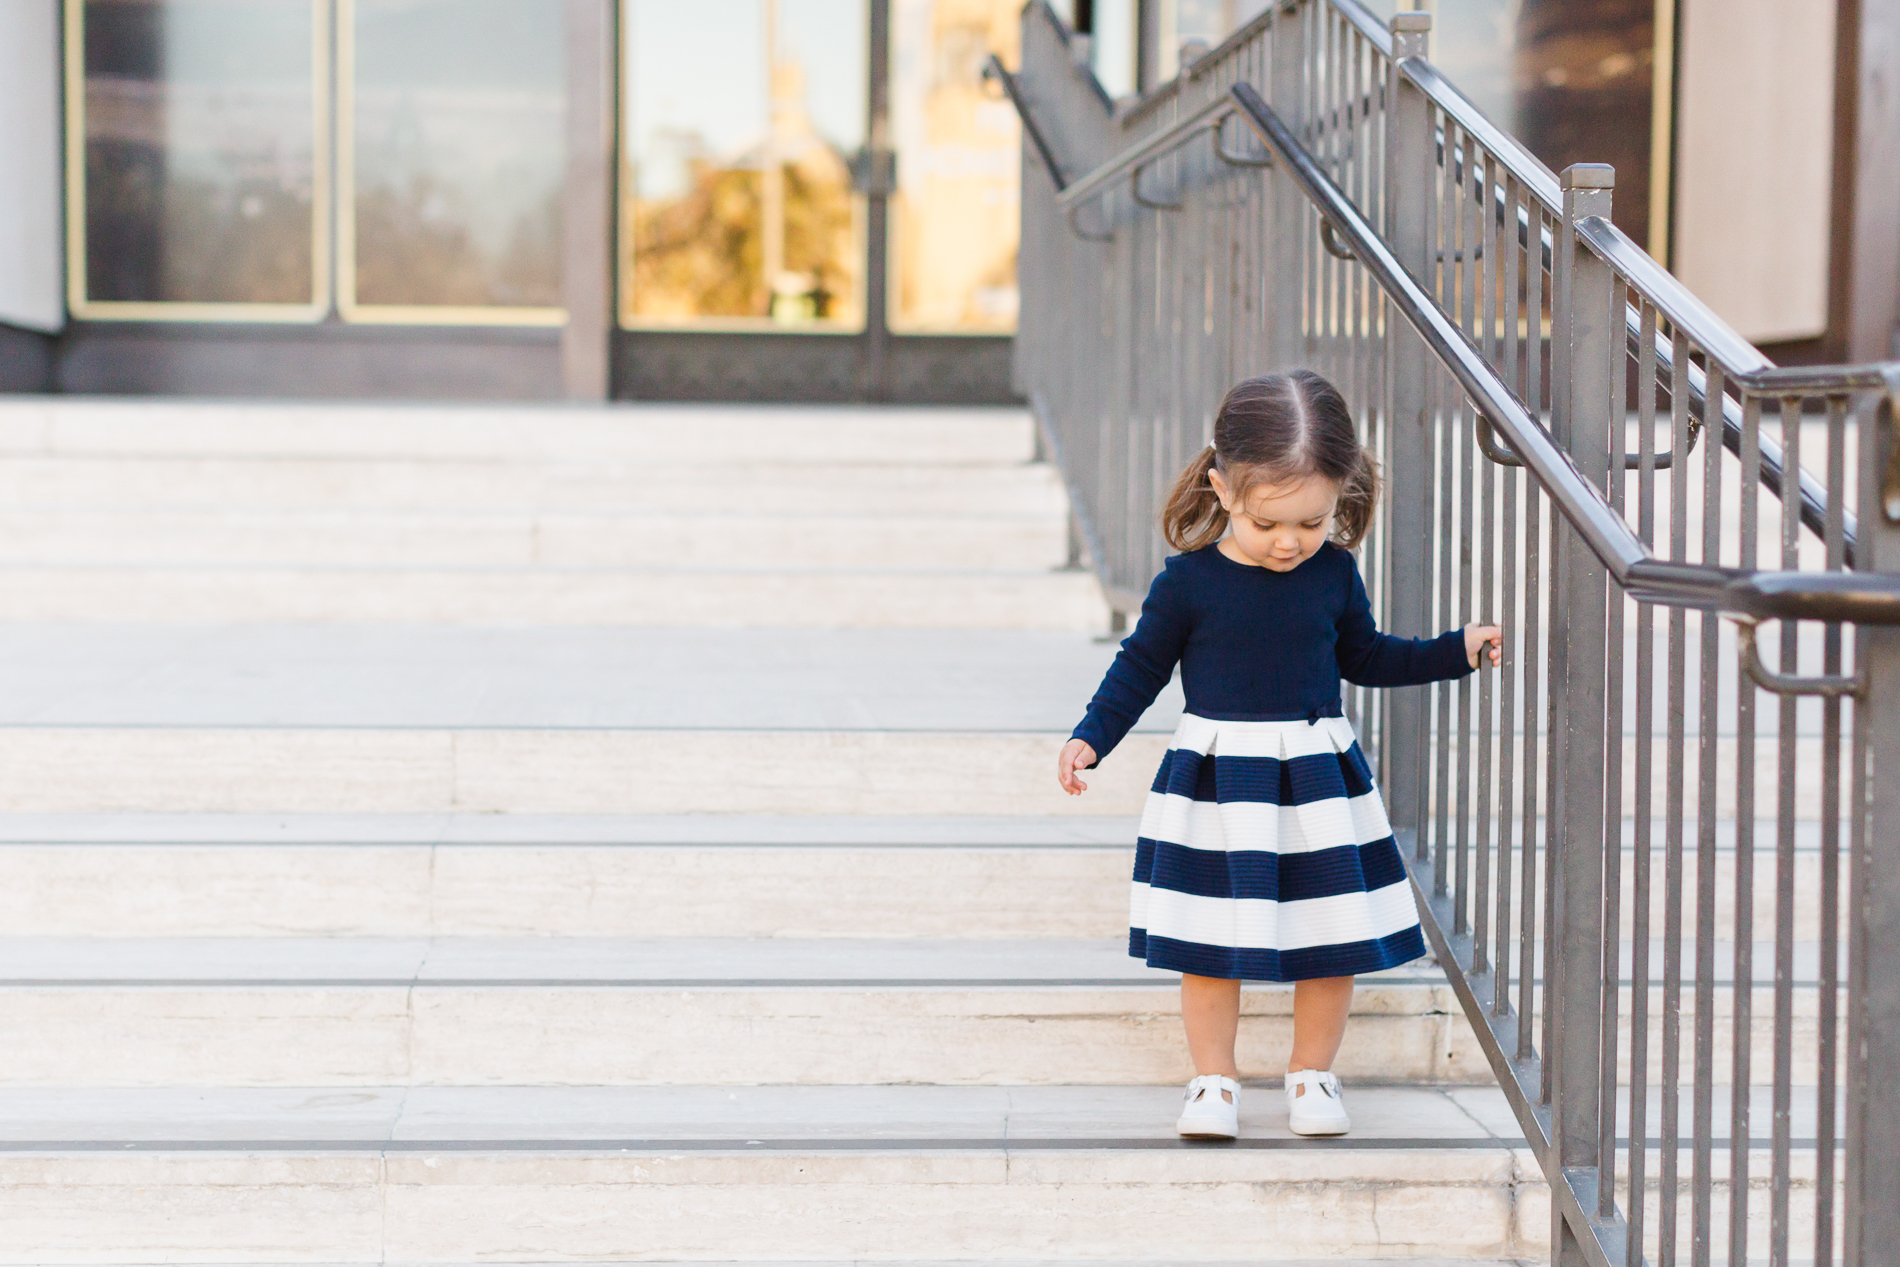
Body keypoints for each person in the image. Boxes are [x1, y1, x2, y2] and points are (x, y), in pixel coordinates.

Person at [1057, 370, 1501, 1140]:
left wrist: (1452, 651)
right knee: (1210, 942)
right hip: (1219, 779)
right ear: (1222, 488)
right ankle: (1213, 1083)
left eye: (1313, 520)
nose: (1292, 541)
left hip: (1317, 781)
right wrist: (1092, 735)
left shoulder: (1332, 572)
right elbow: (1140, 666)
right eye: (1269, 523)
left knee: (1330, 939)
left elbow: (1368, 656)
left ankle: (1312, 1074)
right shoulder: (1188, 582)